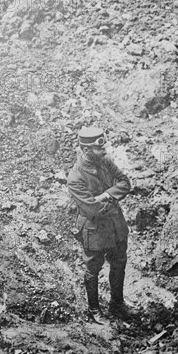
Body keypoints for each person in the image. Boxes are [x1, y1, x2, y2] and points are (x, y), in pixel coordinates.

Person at [67, 125, 133, 322]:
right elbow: (93, 210)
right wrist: (111, 197)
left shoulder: (105, 161)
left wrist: (104, 195)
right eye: (99, 148)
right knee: (93, 268)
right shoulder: (76, 177)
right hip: (94, 229)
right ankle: (94, 309)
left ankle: (117, 304)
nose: (105, 151)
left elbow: (125, 183)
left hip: (115, 224)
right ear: (87, 150)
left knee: (119, 263)